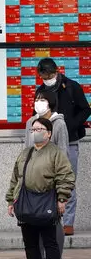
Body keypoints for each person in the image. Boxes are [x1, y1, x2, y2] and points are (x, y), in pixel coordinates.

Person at [6, 118, 75, 259]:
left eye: (39, 129)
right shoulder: (25, 153)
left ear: (48, 133)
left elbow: (65, 176)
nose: (35, 132)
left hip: (47, 202)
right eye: (33, 129)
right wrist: (11, 200)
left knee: (50, 241)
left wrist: (62, 198)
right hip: (26, 202)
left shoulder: (56, 153)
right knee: (30, 243)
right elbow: (15, 178)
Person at [35, 58, 91, 236]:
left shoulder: (71, 86)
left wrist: (70, 125)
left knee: (68, 180)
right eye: (43, 76)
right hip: (47, 143)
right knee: (48, 181)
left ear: (56, 72)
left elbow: (85, 109)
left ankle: (68, 222)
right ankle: (50, 217)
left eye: (49, 75)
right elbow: (35, 115)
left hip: (70, 140)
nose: (46, 78)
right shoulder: (41, 91)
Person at [25, 91, 68, 259]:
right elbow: (26, 150)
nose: (38, 103)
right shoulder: (30, 123)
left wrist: (62, 187)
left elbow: (63, 152)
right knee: (34, 220)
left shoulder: (59, 124)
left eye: (42, 100)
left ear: (50, 103)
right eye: (36, 100)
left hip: (51, 182)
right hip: (32, 182)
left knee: (53, 221)